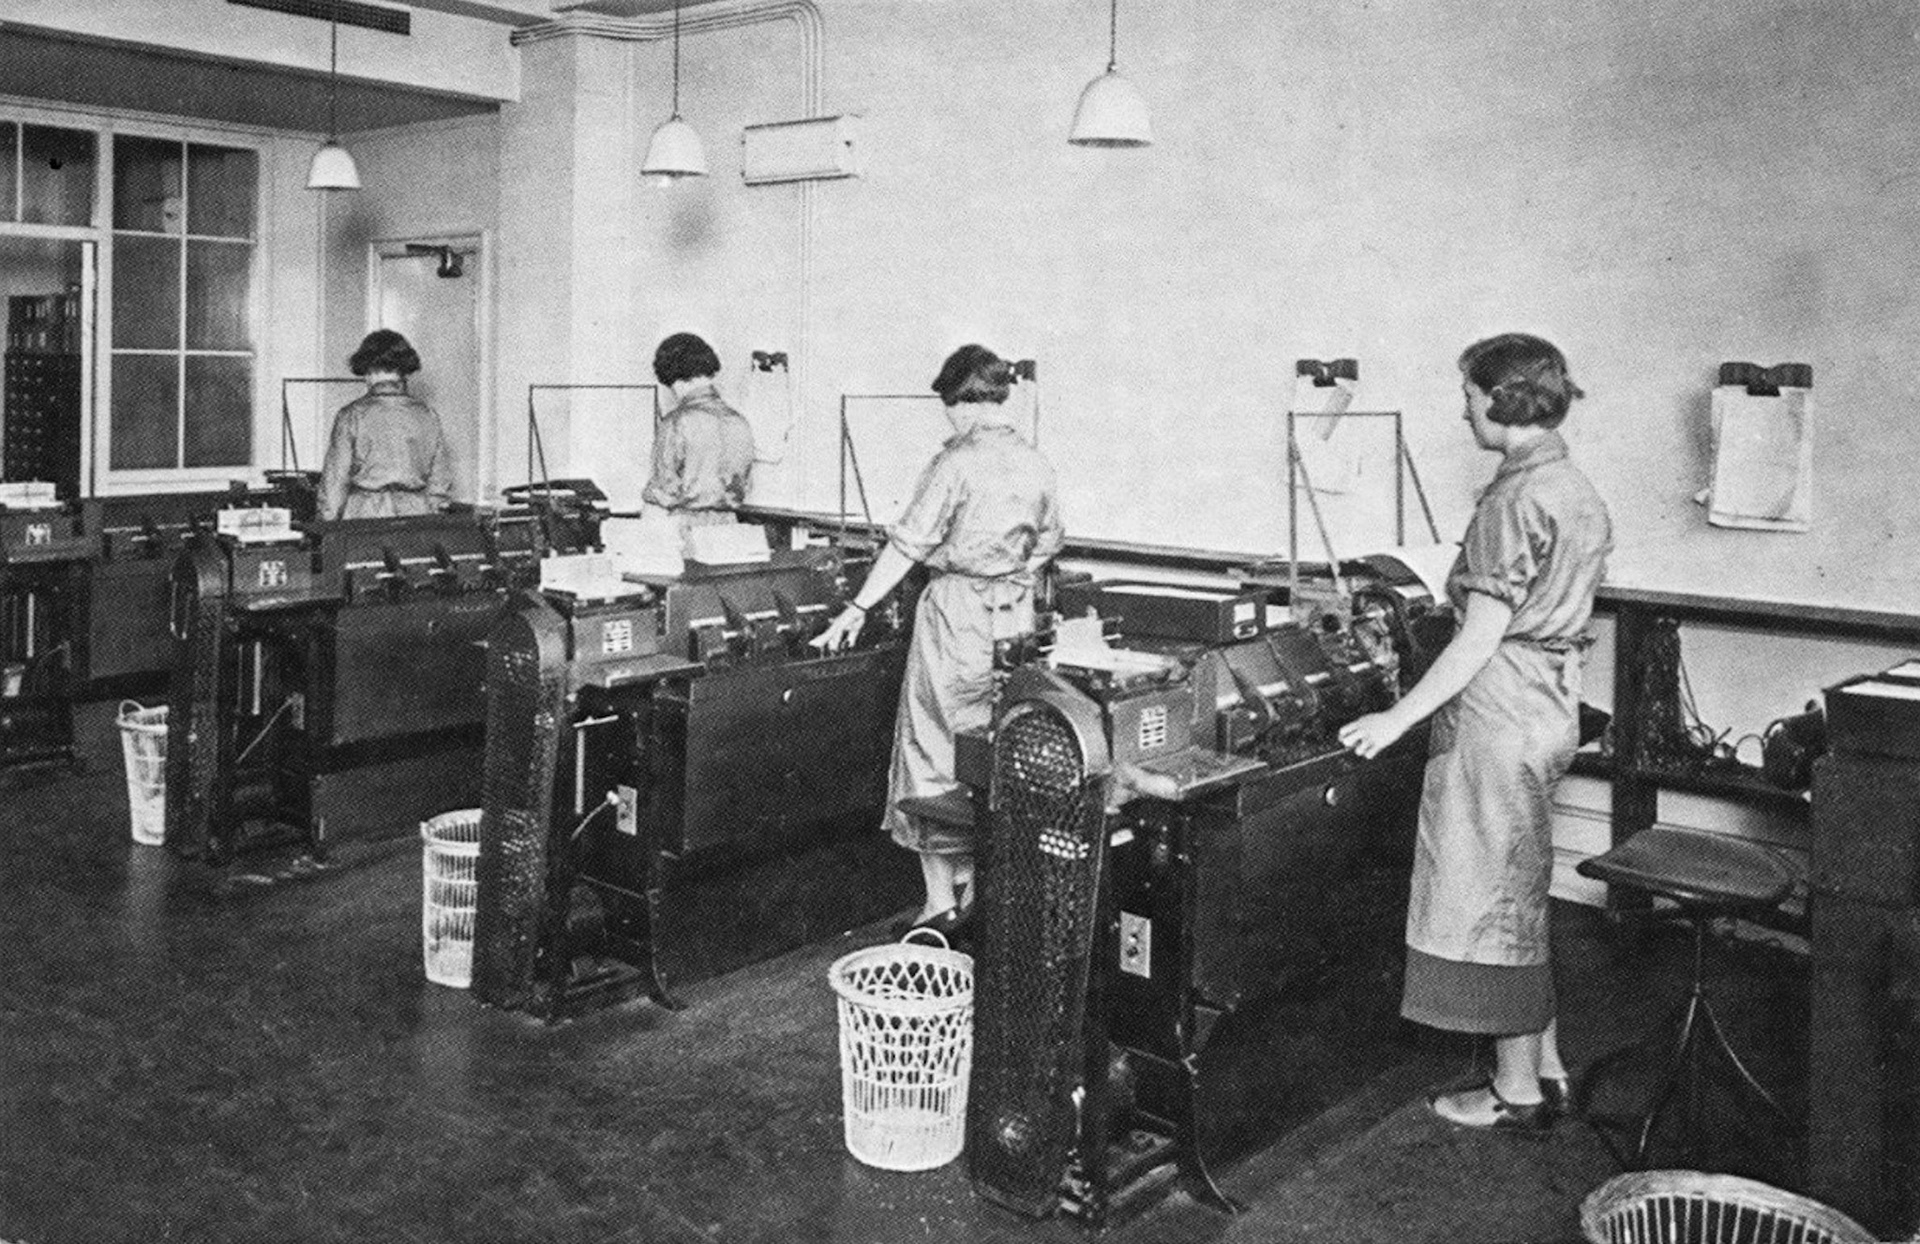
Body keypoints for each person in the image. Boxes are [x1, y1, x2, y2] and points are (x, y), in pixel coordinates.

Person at [1338, 333, 1612, 1129]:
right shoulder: (1572, 485)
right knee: (1520, 882)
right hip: (1547, 702)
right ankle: (1546, 1064)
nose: (1463, 409)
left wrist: (1394, 719)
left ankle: (1514, 1092)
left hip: (1500, 708)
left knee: (1492, 898)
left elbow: (1476, 639)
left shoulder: (1511, 501)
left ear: (1502, 398)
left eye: (1469, 394)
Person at [814, 344, 1063, 930]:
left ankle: (938, 904)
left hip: (956, 614)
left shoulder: (954, 463)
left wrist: (856, 607)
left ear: (959, 402)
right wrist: (1013, 577)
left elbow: (908, 545)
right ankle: (975, 892)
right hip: (1015, 616)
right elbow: (1051, 541)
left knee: (931, 751)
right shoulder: (1036, 461)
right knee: (989, 751)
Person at [317, 329, 454, 521]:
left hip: (365, 516)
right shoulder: (427, 414)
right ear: (402, 372)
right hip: (417, 517)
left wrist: (325, 528)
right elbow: (440, 481)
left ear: (367, 371)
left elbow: (335, 482)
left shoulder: (351, 415)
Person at [642, 332, 756, 554]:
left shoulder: (676, 422)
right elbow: (745, 485)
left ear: (675, 378)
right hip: (729, 531)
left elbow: (664, 491)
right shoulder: (740, 422)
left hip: (684, 532)